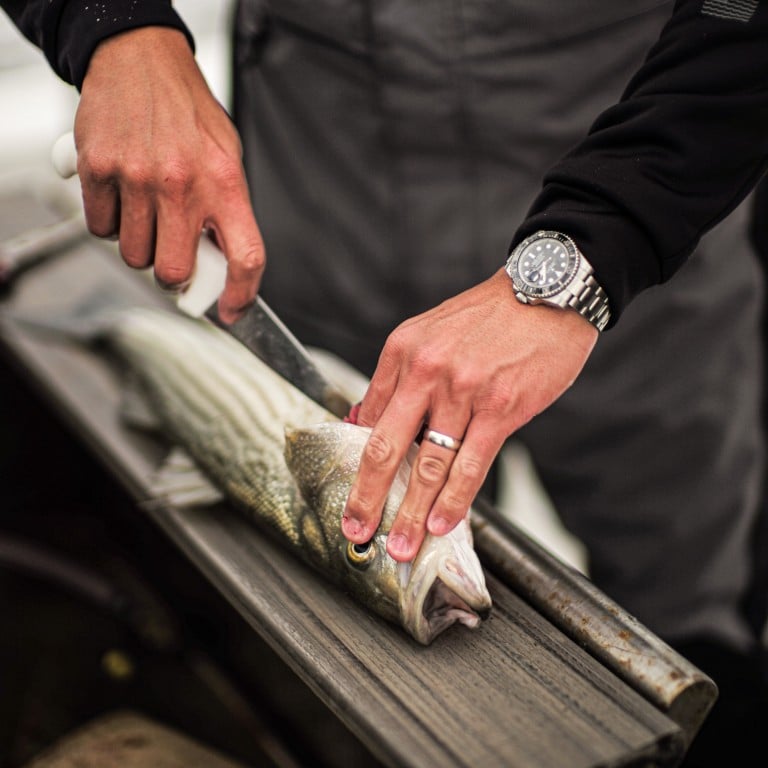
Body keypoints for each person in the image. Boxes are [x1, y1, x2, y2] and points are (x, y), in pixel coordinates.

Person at [2, 1, 767, 764]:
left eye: (376, 548)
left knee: (697, 617)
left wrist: (602, 245)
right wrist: (113, 28)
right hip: (323, 212)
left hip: (641, 255)